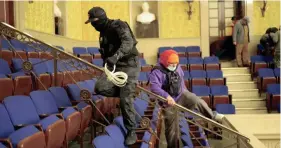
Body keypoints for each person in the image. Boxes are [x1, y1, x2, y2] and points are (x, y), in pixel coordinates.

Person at [85, 7, 140, 145]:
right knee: (100, 87)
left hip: (129, 65)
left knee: (125, 99)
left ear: (101, 19)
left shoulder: (118, 25)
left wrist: (116, 56)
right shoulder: (102, 34)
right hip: (114, 68)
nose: (92, 25)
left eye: (94, 22)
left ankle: (131, 130)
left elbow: (128, 42)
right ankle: (127, 91)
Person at [149, 50, 225, 148]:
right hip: (168, 102)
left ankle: (212, 115)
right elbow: (154, 87)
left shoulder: (178, 67)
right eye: (171, 64)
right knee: (171, 131)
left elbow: (181, 81)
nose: (173, 65)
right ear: (164, 62)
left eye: (175, 64)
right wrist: (166, 96)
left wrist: (185, 91)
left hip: (181, 95)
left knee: (196, 100)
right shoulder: (156, 71)